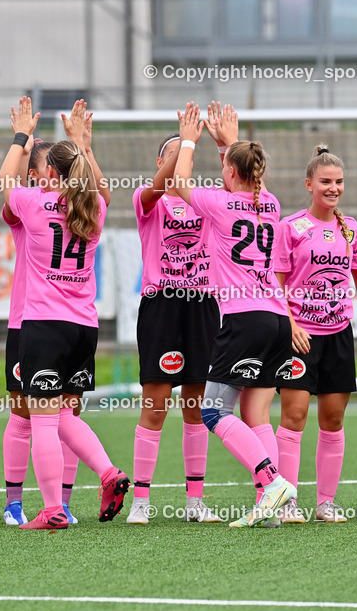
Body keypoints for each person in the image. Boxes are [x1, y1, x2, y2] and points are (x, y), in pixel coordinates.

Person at [1, 96, 129, 530]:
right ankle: (109, 472)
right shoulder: (96, 207)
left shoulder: (34, 204)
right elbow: (96, 188)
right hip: (84, 327)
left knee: (42, 418)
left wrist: (21, 136)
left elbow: (5, 178)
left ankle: (53, 507)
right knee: (63, 415)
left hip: (44, 326)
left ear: (49, 174)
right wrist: (80, 142)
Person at [171, 102, 296, 528]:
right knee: (256, 414)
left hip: (244, 319)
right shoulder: (272, 204)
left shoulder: (219, 204)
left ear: (229, 173)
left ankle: (271, 481)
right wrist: (228, 141)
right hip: (277, 319)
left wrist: (189, 137)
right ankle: (273, 506)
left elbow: (178, 181)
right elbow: (245, 178)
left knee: (212, 412)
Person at [125, 103, 236, 525]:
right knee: (154, 405)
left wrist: (224, 144)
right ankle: (141, 500)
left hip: (202, 306)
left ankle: (194, 501)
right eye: (169, 154)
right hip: (162, 307)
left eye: (184, 156)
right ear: (159, 162)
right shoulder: (147, 200)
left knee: (197, 406)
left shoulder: (205, 202)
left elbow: (236, 190)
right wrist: (183, 140)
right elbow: (158, 185)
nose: (177, 162)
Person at [273, 145, 357, 524]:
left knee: (333, 419)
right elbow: (275, 284)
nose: (333, 188)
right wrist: (291, 324)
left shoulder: (349, 228)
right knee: (294, 416)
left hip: (338, 335)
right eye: (325, 182)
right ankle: (287, 502)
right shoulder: (291, 227)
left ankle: (326, 504)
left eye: (338, 182)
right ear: (309, 184)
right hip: (299, 336)